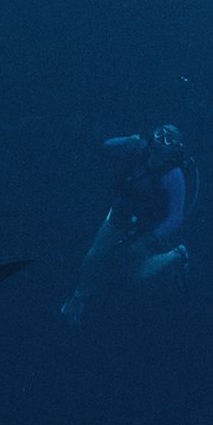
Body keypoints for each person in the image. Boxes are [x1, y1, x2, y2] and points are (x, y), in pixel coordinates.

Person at [61, 124, 193, 325]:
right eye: (159, 134)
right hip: (121, 214)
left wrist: (152, 237)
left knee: (135, 273)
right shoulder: (138, 149)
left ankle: (176, 255)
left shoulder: (174, 176)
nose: (159, 141)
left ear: (174, 148)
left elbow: (176, 216)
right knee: (94, 256)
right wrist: (129, 140)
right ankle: (78, 298)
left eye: (167, 140)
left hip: (148, 226)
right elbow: (106, 146)